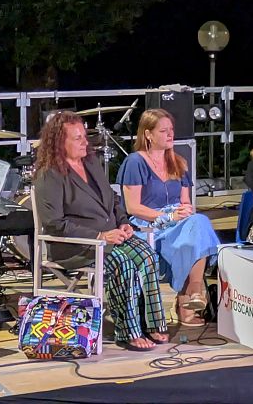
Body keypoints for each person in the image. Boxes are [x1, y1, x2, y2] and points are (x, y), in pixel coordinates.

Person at [33, 111, 167, 351]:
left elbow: (112, 199)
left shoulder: (90, 162)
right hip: (76, 245)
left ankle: (152, 323)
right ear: (59, 142)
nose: (85, 142)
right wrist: (99, 236)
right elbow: (54, 223)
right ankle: (128, 331)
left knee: (146, 255)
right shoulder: (49, 174)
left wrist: (123, 221)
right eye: (78, 138)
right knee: (123, 263)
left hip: (111, 235)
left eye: (85, 136)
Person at [116, 109, 219, 328]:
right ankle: (190, 296)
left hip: (178, 222)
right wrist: (167, 216)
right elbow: (133, 207)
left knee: (198, 223)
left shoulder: (178, 162)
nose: (170, 134)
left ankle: (193, 291)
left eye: (171, 130)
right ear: (148, 134)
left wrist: (183, 212)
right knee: (196, 230)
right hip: (148, 224)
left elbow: (186, 202)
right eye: (163, 131)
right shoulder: (135, 162)